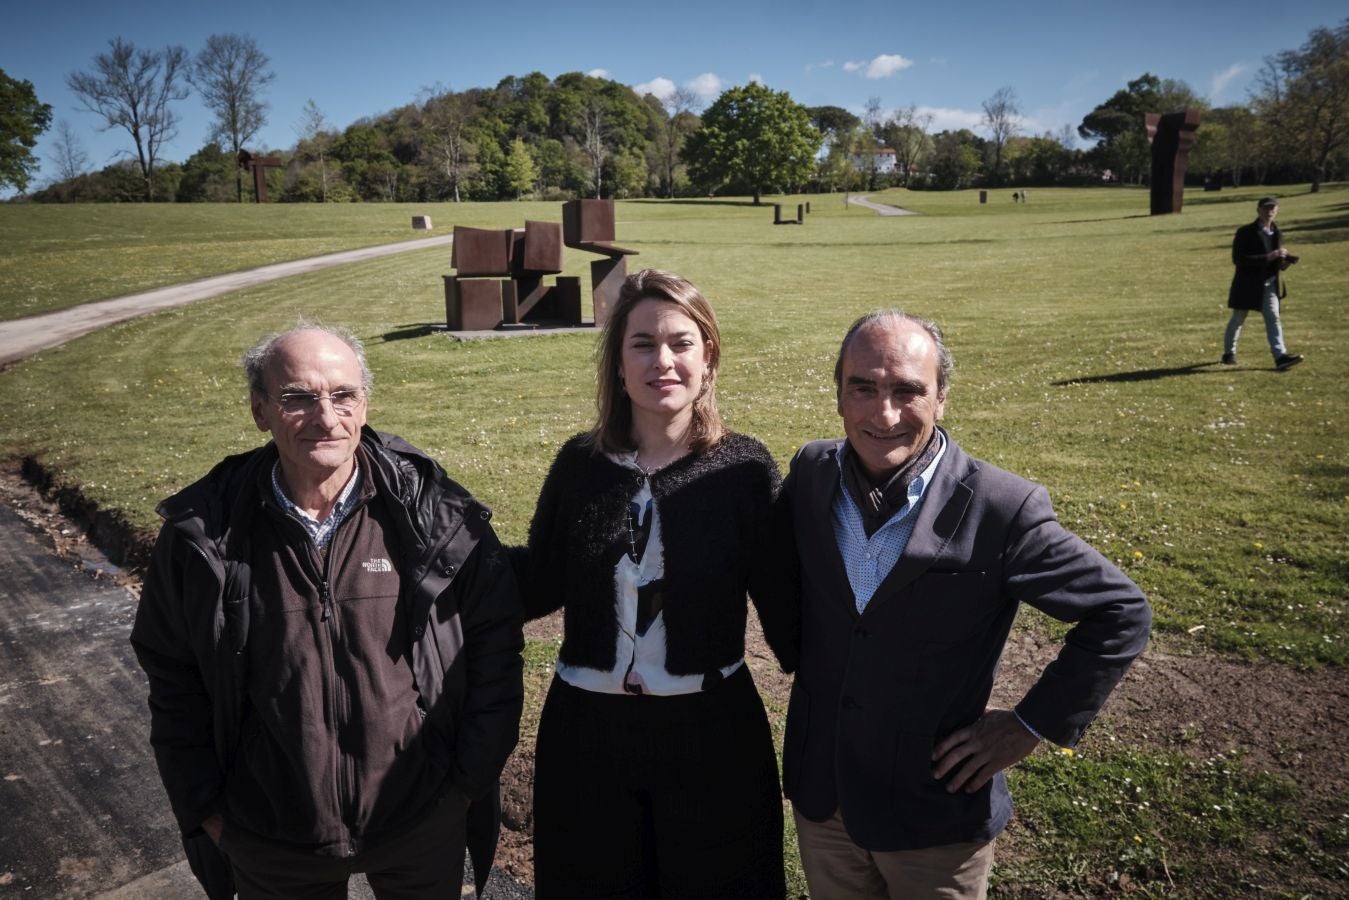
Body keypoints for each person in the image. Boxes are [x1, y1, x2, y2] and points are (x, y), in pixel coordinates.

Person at [131, 324, 525, 900]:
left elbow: (495, 645)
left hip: (421, 818)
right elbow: (172, 673)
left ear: (365, 403)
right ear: (259, 411)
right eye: (297, 397)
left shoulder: (434, 515)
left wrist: (464, 782)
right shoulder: (204, 534)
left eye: (343, 395)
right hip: (272, 835)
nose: (325, 416)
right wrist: (206, 808)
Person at [778, 310, 1151, 899]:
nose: (884, 414)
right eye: (864, 389)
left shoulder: (1003, 508)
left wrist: (1030, 725)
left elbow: (1120, 611)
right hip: (824, 800)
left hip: (935, 819)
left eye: (908, 391)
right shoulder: (810, 473)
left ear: (942, 398)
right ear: (839, 396)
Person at [517, 269, 796, 898]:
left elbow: (791, 611)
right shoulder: (578, 465)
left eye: (681, 343)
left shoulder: (744, 470)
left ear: (709, 358)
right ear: (618, 364)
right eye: (642, 344)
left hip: (713, 735)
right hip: (586, 738)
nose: (662, 361)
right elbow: (536, 581)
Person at [1222, 196, 1304, 370]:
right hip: (1247, 283)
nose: (1269, 212)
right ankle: (1229, 353)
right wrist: (1269, 257)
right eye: (1266, 208)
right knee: (1238, 318)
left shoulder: (1277, 232)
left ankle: (1280, 357)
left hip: (1269, 283)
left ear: (1277, 211)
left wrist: (1284, 262)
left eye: (1273, 208)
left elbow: (1276, 265)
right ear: (1258, 210)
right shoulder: (1245, 232)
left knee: (1273, 318)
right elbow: (1239, 259)